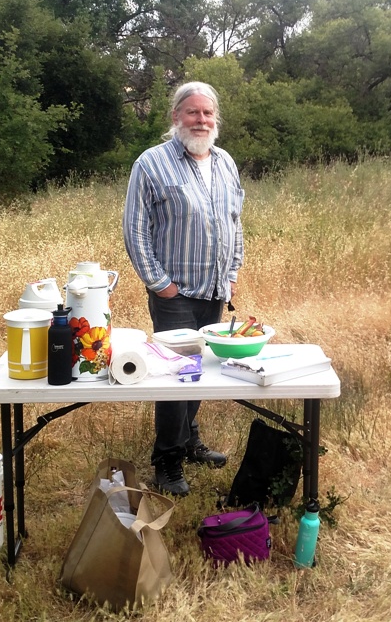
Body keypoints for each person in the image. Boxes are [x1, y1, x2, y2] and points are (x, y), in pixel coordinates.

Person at [123, 81, 244, 496]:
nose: (201, 120)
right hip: (174, 293)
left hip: (214, 291)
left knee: (200, 373)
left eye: (208, 113)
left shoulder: (226, 162)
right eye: (192, 112)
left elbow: (235, 222)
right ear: (176, 117)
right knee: (176, 378)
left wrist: (231, 275)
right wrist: (162, 285)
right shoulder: (151, 164)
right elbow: (135, 231)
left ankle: (189, 441)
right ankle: (167, 463)